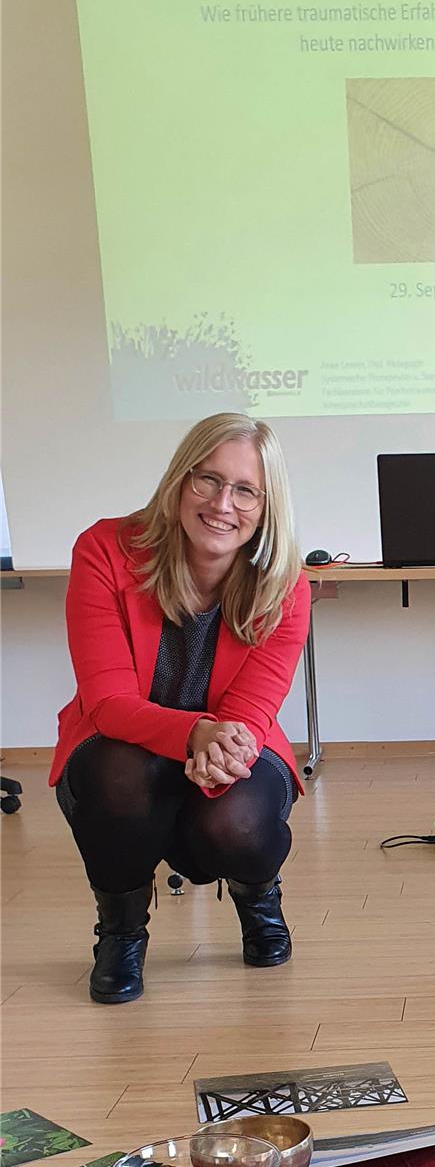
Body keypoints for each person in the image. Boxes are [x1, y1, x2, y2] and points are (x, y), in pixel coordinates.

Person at [50, 413, 310, 1005]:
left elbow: (251, 709)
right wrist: (195, 733)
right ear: (179, 480)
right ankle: (121, 932)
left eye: (246, 490)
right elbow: (110, 703)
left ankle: (257, 895)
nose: (223, 504)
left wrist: (219, 748)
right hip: (126, 746)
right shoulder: (106, 550)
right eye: (208, 480)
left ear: (267, 507)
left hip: (228, 743)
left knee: (236, 823)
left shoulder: (283, 582)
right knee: (118, 775)